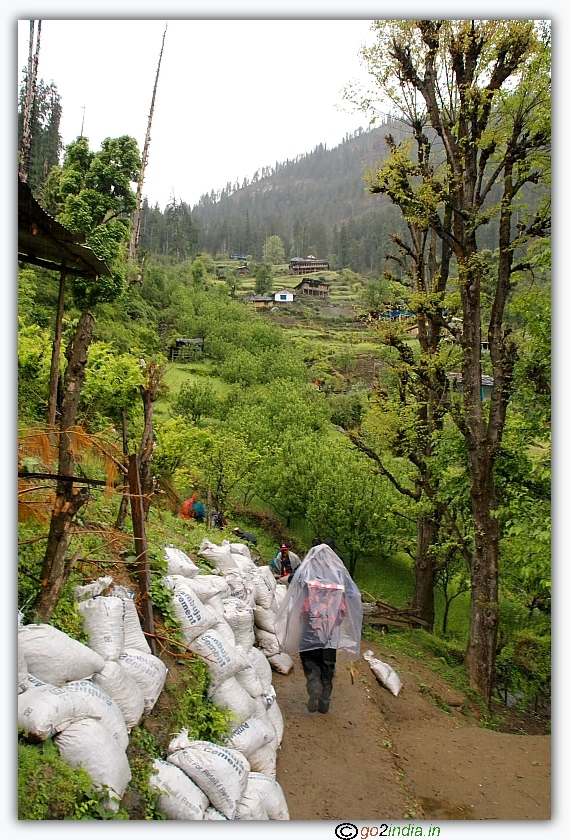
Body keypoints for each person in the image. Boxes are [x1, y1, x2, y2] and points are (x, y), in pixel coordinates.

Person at [274, 543, 363, 714]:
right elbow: (353, 594)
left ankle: (314, 683)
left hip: (310, 625)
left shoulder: (307, 571)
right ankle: (325, 701)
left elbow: (293, 581)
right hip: (331, 629)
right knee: (328, 663)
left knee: (308, 656)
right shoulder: (339, 574)